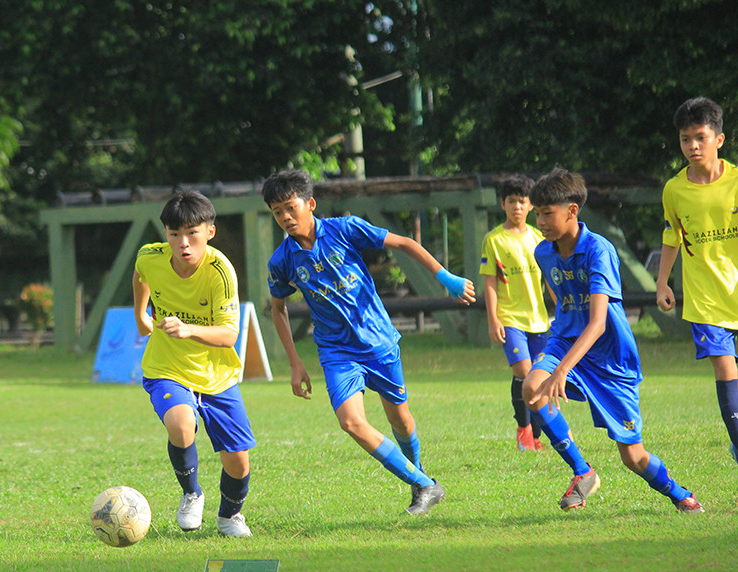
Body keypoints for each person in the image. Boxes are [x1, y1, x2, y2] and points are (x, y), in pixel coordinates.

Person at [263, 169, 476, 515]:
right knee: (350, 422)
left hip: (378, 342)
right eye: (277, 212)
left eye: (290, 207)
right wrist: (295, 363)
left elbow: (404, 243)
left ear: (310, 204)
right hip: (336, 352)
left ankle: (418, 480)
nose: (285, 217)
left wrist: (444, 277)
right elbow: (278, 309)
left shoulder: (344, 229)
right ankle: (424, 484)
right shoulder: (282, 261)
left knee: (402, 420)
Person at [523, 168, 703, 513]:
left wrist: (561, 370)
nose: (541, 220)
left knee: (633, 457)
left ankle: (680, 494)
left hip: (609, 357)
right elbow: (561, 296)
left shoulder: (598, 250)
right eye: (538, 213)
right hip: (565, 343)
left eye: (548, 213)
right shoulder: (543, 253)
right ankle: (583, 471)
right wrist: (556, 347)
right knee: (532, 389)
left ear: (572, 211)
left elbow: (598, 322)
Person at [132, 190, 256, 537]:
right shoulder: (150, 256)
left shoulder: (220, 272)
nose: (182, 243)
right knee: (182, 424)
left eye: (192, 234)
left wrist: (188, 329)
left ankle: (229, 517)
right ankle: (192, 493)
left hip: (216, 376)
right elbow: (141, 274)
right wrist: (141, 314)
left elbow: (230, 335)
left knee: (238, 460)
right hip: (166, 369)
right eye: (174, 234)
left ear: (209, 232)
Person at [655, 97, 738, 466]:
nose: (692, 146)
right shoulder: (674, 190)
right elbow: (673, 234)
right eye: (685, 138)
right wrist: (662, 283)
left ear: (719, 139)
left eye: (700, 137)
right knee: (723, 366)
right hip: (705, 299)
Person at [480, 174, 551, 452]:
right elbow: (489, 281)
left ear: (531, 205)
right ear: (503, 204)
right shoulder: (494, 240)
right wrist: (493, 319)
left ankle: (535, 436)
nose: (517, 207)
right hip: (510, 319)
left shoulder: (539, 238)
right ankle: (524, 433)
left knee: (539, 377)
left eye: (522, 201)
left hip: (539, 320)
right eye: (512, 201)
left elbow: (550, 279)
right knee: (523, 371)